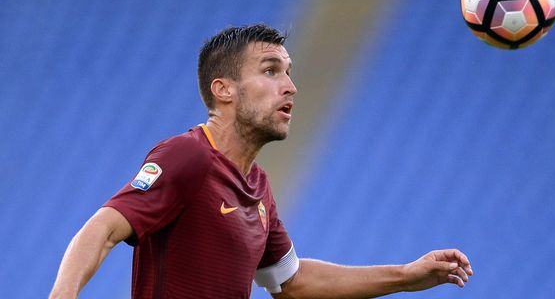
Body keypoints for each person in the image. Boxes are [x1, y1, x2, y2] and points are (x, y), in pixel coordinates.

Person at [50, 24, 472, 298]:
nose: (289, 86)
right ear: (224, 90)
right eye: (271, 71)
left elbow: (291, 282)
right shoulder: (188, 156)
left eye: (288, 72)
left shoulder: (257, 187)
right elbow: (103, 228)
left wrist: (406, 276)